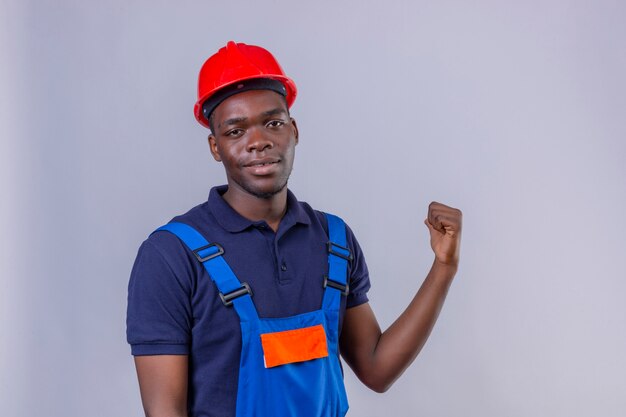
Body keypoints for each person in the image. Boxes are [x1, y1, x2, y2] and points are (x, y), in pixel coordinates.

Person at [126, 41, 463, 417]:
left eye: (273, 122)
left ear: (294, 129)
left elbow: (376, 369)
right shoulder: (171, 256)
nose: (258, 141)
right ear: (215, 146)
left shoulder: (334, 240)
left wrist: (443, 268)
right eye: (236, 131)